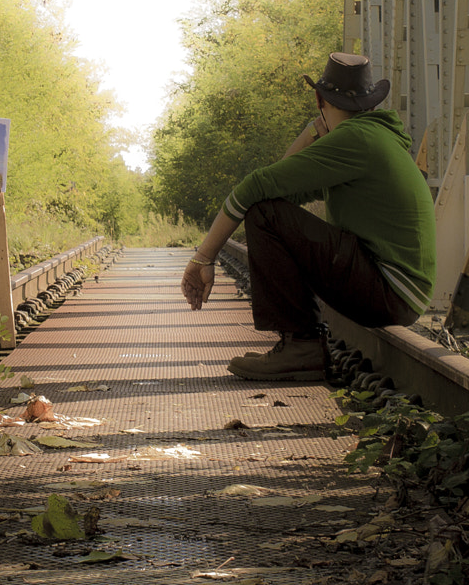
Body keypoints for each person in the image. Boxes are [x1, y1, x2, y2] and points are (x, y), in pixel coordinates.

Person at [179, 52, 436, 380]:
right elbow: (279, 190)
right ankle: (301, 345)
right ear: (370, 102)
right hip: (398, 291)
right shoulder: (372, 137)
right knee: (266, 207)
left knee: (263, 212)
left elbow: (258, 189)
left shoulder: (355, 139)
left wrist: (204, 257)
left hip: (388, 290)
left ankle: (301, 345)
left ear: (319, 98)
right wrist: (313, 132)